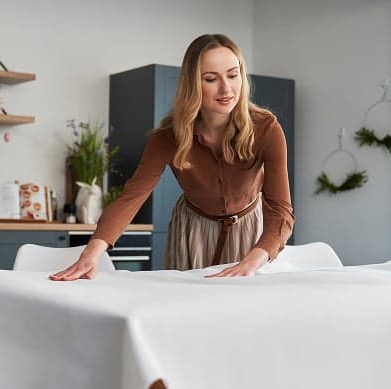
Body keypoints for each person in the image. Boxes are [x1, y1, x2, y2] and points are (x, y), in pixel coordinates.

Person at [50, 33, 295, 281]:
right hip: (193, 231)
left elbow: (280, 209)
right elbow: (131, 197)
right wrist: (91, 253)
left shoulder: (266, 128)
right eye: (211, 79)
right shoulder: (168, 136)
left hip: (253, 230)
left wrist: (256, 257)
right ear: (192, 84)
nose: (226, 88)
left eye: (233, 75)